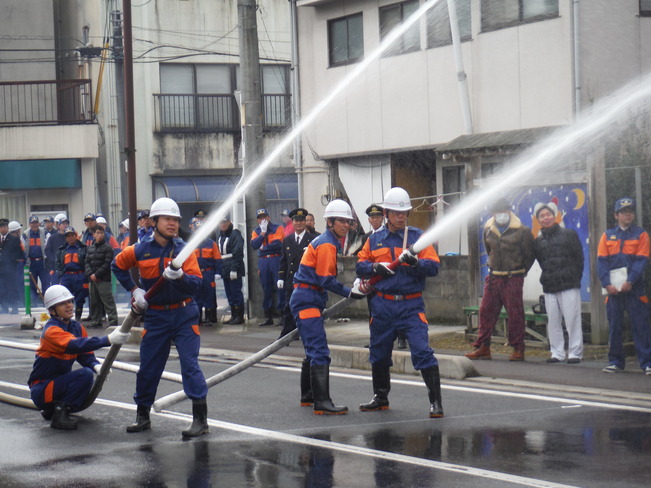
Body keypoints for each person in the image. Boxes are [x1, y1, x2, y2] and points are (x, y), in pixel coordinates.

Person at [112, 197, 209, 437]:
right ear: (154, 221)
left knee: (190, 365)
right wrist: (135, 290)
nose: (173, 224)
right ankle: (142, 416)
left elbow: (197, 284)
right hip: (156, 317)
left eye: (176, 219)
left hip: (184, 313)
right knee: (148, 368)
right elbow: (117, 265)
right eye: (167, 219)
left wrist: (181, 278)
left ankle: (200, 420)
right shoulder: (140, 249)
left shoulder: (184, 250)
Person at [356, 187, 444, 418]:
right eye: (396, 212)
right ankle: (380, 397)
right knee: (379, 353)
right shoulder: (374, 240)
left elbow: (434, 266)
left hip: (410, 305)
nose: (401, 216)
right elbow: (359, 265)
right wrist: (375, 267)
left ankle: (436, 402)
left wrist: (415, 263)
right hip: (383, 305)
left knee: (422, 351)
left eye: (404, 212)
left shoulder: (418, 238)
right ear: (386, 213)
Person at [289, 199, 368, 415]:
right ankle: (322, 403)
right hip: (307, 298)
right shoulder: (326, 244)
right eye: (341, 221)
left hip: (308, 297)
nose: (346, 225)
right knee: (319, 351)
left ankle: (308, 396)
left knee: (311, 350)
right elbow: (325, 279)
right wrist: (349, 292)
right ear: (330, 222)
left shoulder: (329, 241)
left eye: (348, 222)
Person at [27, 285, 130, 430]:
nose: (69, 306)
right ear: (52, 310)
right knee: (84, 375)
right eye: (63, 303)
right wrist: (107, 340)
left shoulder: (76, 327)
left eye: (70, 301)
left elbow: (85, 355)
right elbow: (76, 345)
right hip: (43, 390)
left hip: (56, 386)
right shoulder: (51, 331)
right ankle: (58, 414)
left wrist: (95, 365)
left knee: (88, 373)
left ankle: (54, 410)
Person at [465, 198, 535, 361]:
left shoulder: (522, 231)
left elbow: (530, 255)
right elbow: (489, 249)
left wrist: (520, 271)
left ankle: (518, 348)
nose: (501, 215)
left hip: (513, 276)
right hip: (494, 276)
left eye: (504, 212)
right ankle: (484, 346)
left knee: (515, 313)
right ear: (493, 214)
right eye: (498, 212)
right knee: (486, 311)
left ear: (509, 212)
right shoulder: (488, 229)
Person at [597, 197, 651, 375]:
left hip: (635, 289)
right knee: (615, 326)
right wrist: (607, 284)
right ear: (616, 215)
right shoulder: (607, 236)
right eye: (624, 211)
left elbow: (641, 260)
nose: (628, 214)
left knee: (640, 325)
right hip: (613, 290)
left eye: (631, 211)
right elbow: (601, 262)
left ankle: (647, 363)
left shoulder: (641, 234)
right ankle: (615, 361)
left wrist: (631, 281)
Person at [533, 202, 584, 364]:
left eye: (548, 214)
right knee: (553, 321)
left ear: (554, 216)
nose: (546, 218)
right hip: (549, 285)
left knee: (572, 320)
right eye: (542, 216)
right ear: (538, 220)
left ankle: (575, 353)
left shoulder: (569, 234)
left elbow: (579, 258)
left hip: (569, 284)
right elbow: (542, 262)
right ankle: (557, 353)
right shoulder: (538, 241)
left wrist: (575, 277)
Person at [277, 208, 318, 338]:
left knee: (307, 309)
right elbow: (284, 261)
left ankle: (306, 333)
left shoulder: (313, 239)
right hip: (291, 279)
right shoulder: (287, 240)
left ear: (305, 222)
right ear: (292, 222)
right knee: (288, 308)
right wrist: (281, 277)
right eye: (296, 220)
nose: (298, 223)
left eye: (301, 220)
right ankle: (287, 335)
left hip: (307, 280)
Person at [250, 208, 284, 326]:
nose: (263, 219)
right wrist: (262, 234)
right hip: (264, 261)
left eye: (265, 217)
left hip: (276, 259)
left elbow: (278, 243)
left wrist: (264, 247)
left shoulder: (277, 228)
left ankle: (282, 315)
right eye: (260, 218)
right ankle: (268, 316)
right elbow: (254, 245)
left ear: (269, 217)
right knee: (266, 287)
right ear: (257, 220)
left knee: (279, 286)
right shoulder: (256, 231)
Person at [84, 225, 119, 329]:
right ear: (93, 235)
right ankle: (96, 320)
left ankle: (113, 321)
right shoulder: (90, 248)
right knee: (94, 301)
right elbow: (86, 262)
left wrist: (97, 274)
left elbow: (107, 263)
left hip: (103, 278)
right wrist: (90, 274)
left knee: (107, 300)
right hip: (92, 279)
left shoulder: (107, 248)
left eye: (101, 233)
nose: (100, 235)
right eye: (97, 233)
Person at [191, 219, 222, 326]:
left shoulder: (211, 243)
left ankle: (209, 319)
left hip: (208, 273)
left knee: (209, 295)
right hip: (196, 274)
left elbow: (217, 259)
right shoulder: (191, 243)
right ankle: (197, 319)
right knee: (196, 296)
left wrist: (218, 272)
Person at [217, 215, 246, 325]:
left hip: (234, 267)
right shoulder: (221, 235)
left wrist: (234, 269)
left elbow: (238, 252)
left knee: (235, 292)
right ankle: (234, 315)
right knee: (229, 293)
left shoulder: (235, 234)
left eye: (225, 222)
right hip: (225, 267)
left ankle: (239, 316)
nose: (223, 225)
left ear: (229, 222)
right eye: (221, 222)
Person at [56, 227, 88, 321]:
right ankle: (67, 318)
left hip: (79, 276)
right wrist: (60, 274)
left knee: (80, 298)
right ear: (66, 238)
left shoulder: (83, 248)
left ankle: (78, 318)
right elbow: (58, 262)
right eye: (68, 236)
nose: (71, 238)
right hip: (66, 276)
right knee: (65, 298)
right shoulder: (62, 249)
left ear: (76, 236)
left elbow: (87, 262)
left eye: (72, 235)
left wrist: (85, 275)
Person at [0, 219, 25, 314]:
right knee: (2, 289)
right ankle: (4, 307)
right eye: (1, 227)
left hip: (11, 268)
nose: (3, 229)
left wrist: (13, 259)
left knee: (12, 288)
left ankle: (14, 307)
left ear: (8, 228)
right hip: (1, 269)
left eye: (5, 227)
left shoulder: (14, 239)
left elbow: (19, 252)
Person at [24, 215, 49, 302]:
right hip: (31, 262)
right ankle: (33, 302)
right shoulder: (25, 234)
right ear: (29, 224)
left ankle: (46, 301)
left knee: (45, 282)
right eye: (32, 223)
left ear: (38, 223)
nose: (34, 225)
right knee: (32, 284)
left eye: (36, 223)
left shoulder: (44, 232)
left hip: (42, 262)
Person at [45, 214, 69, 287]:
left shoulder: (70, 237)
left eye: (66, 223)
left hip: (68, 268)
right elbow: (48, 252)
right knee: (56, 287)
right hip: (55, 268)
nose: (65, 225)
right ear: (58, 225)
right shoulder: (52, 238)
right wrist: (54, 262)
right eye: (63, 223)